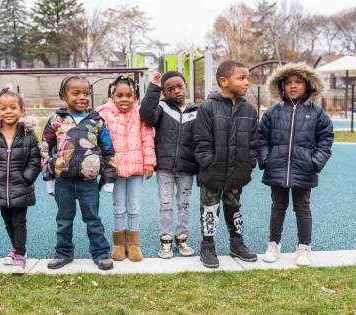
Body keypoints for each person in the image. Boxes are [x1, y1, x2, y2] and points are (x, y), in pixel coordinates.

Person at [259, 63, 334, 266]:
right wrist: (266, 158)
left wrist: (315, 162)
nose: (293, 86)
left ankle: (304, 248)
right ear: (282, 86)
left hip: (304, 168)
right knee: (278, 207)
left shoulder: (316, 113)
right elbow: (261, 137)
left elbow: (326, 139)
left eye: (298, 82)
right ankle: (274, 244)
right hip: (277, 166)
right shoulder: (274, 111)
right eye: (289, 82)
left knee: (302, 208)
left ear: (307, 85)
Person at [41, 76, 117, 270]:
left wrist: (109, 178)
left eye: (86, 93)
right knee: (63, 220)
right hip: (62, 182)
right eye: (76, 93)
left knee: (93, 219)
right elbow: (44, 150)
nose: (82, 97)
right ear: (63, 96)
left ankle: (100, 253)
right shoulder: (55, 121)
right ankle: (63, 253)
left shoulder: (97, 121)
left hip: (89, 182)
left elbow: (108, 149)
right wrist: (48, 178)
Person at [194, 60, 258, 268]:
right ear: (223, 81)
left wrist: (249, 163)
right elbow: (201, 141)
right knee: (209, 210)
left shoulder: (249, 110)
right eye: (241, 78)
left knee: (234, 207)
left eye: (247, 78)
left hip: (237, 173)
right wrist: (209, 163)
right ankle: (207, 246)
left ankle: (236, 244)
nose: (246, 82)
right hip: (212, 173)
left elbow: (254, 141)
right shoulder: (208, 107)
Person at [0, 88, 41, 274]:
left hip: (21, 186)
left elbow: (35, 160)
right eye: (3, 108)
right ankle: (15, 248)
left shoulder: (28, 135)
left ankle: (20, 255)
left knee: (19, 220)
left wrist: (27, 177)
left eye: (13, 107)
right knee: (7, 220)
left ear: (22, 111)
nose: (8, 111)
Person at [96, 75, 156, 262]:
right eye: (119, 95)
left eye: (129, 95)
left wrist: (148, 163)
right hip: (115, 170)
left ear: (135, 97)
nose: (124, 99)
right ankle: (119, 244)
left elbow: (147, 139)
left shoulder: (140, 114)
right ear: (112, 96)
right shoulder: (103, 113)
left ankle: (133, 244)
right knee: (119, 207)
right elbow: (97, 140)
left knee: (135, 208)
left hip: (136, 168)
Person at [140, 71, 197, 259]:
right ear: (165, 93)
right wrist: (154, 89)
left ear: (186, 85)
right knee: (165, 204)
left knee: (184, 204)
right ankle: (165, 240)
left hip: (187, 168)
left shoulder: (196, 111)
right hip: (165, 166)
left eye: (179, 87)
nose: (177, 92)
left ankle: (182, 239)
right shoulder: (162, 107)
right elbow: (146, 115)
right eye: (170, 90)